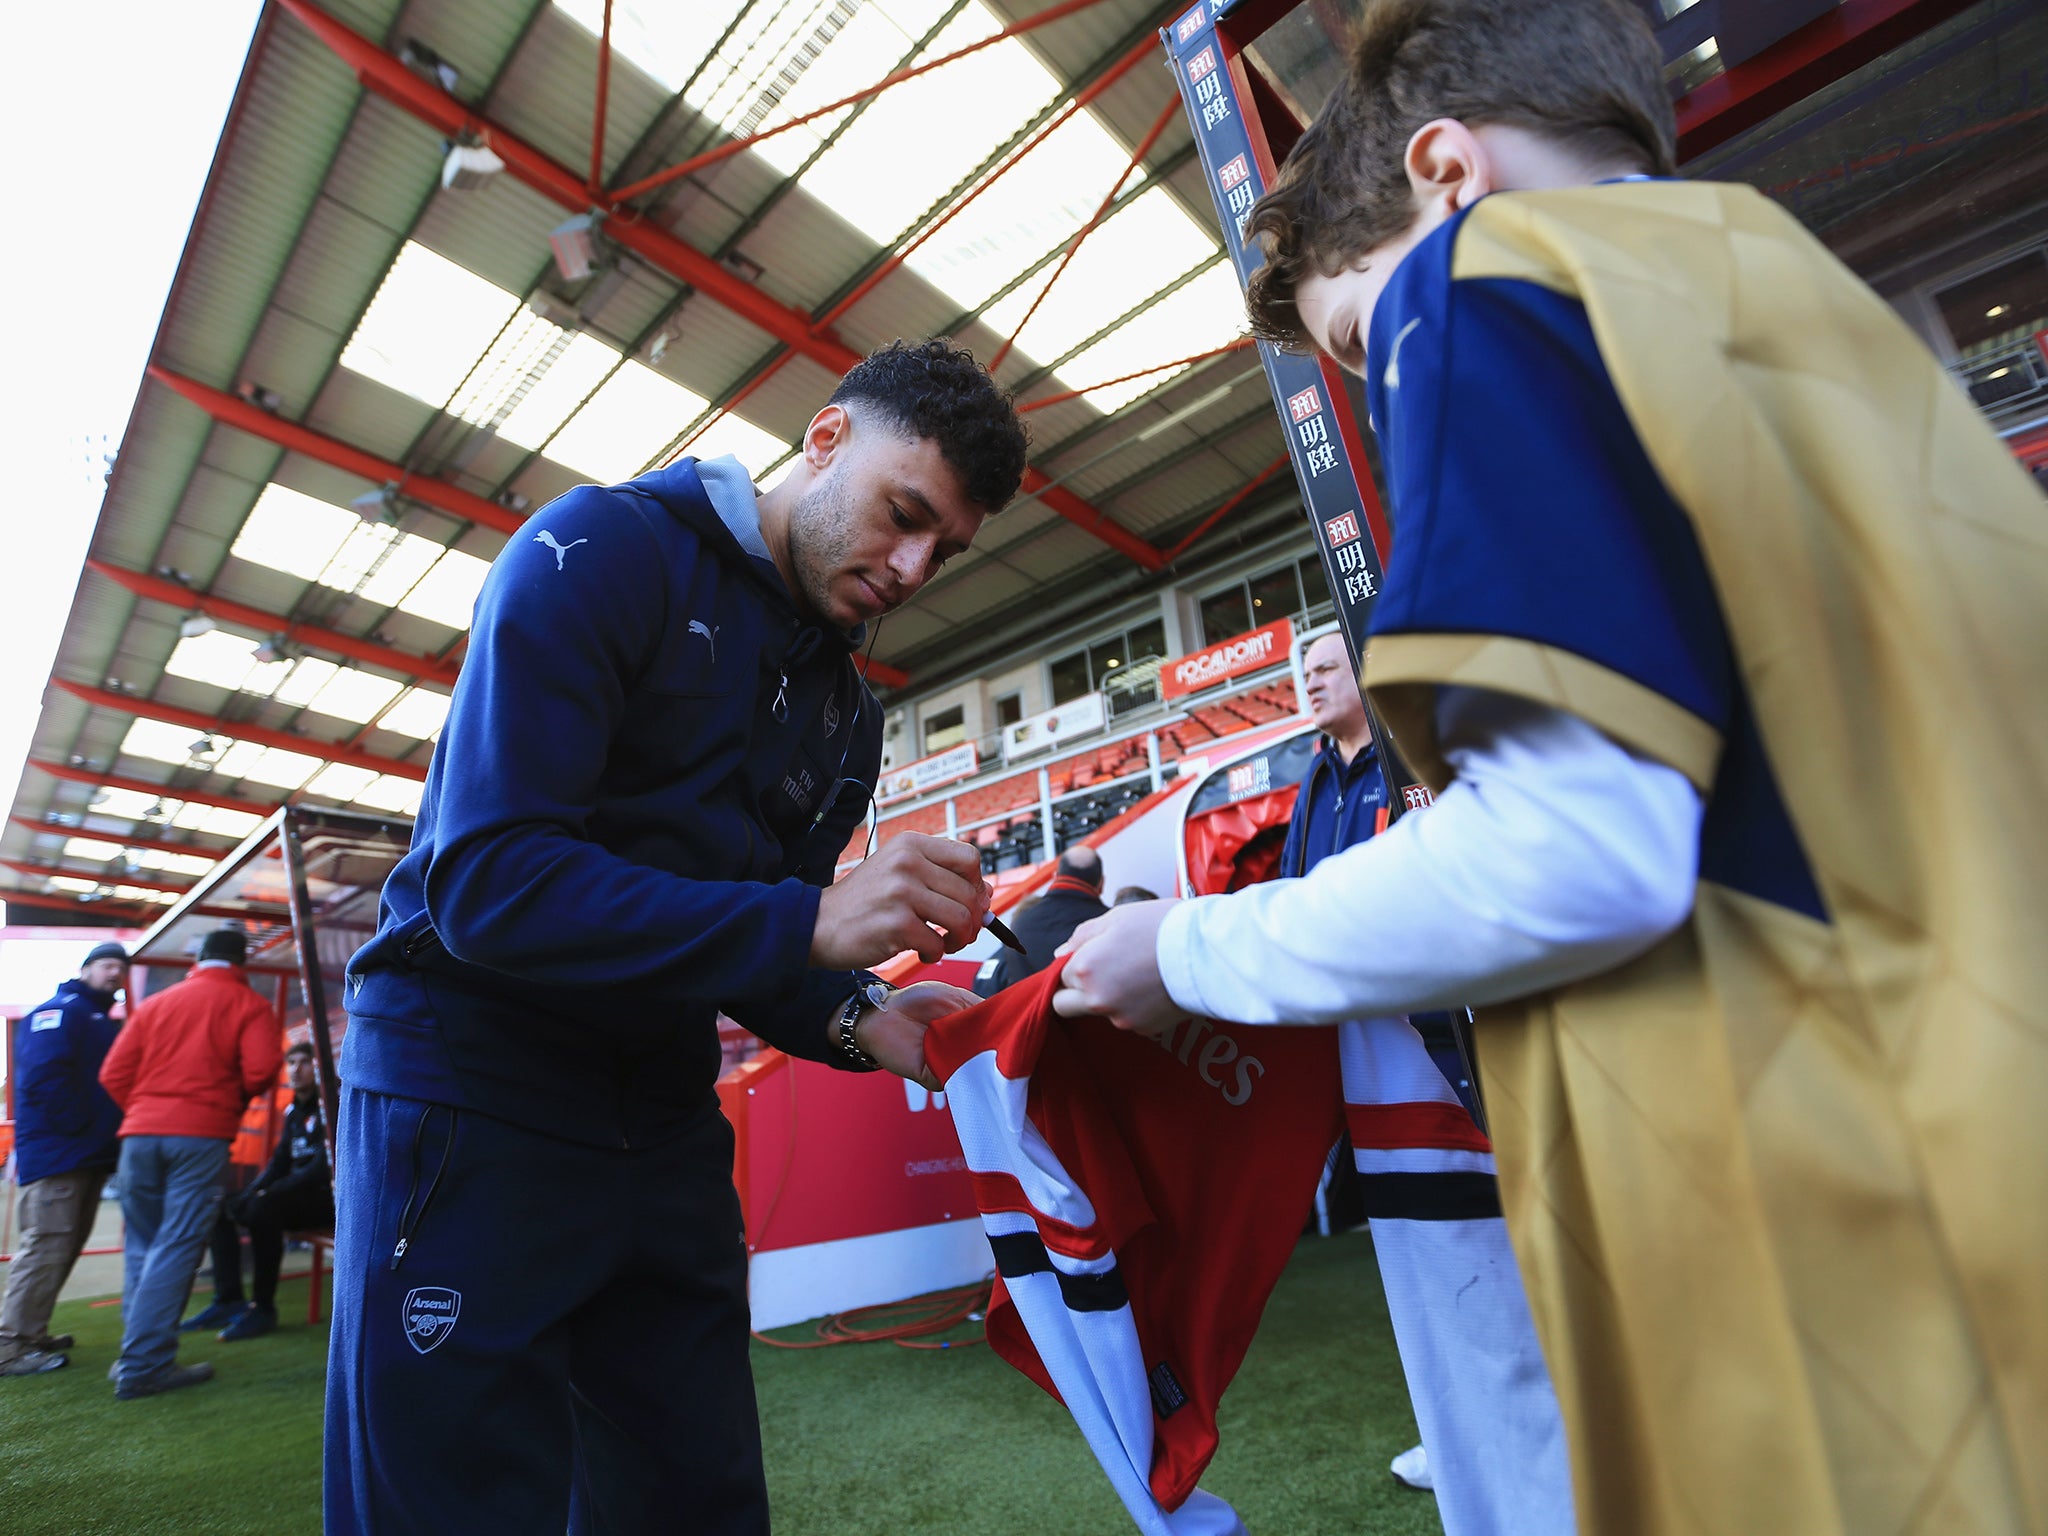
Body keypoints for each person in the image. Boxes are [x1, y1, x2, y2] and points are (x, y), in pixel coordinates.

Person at [1054, 3, 2047, 1532]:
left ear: (1447, 172)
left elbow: (1577, 849)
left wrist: (1185, 947)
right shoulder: (1804, 309)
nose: (1381, 387)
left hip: (1831, 1262)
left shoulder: (1484, 279)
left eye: (1355, 342)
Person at [329, 338, 1027, 1533]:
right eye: (902, 514)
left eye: (943, 550)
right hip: (468, 1090)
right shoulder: (594, 549)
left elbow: (750, 948)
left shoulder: (846, 718)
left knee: (696, 1498)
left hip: (658, 1116)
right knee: (449, 1503)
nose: (912, 567)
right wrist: (808, 920)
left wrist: (866, 1016)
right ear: (822, 441)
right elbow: (489, 884)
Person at [1281, 630, 1571, 1533]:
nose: (1312, 677)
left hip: (1462, 1049)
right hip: (1374, 1064)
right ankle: (1452, 1435)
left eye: (1329, 661)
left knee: (1521, 1248)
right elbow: (1296, 896)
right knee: (1423, 1264)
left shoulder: (1415, 749)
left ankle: (1568, 1425)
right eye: (1305, 669)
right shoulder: (1314, 782)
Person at [98, 927, 281, 1399]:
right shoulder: (249, 1004)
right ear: (242, 962)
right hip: (199, 1136)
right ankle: (144, 1366)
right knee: (177, 1246)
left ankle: (134, 1357)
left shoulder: (158, 1003)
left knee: (143, 1244)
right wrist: (222, 1106)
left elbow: (113, 1073)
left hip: (139, 1136)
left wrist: (146, 1112)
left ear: (198, 958)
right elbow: (261, 1071)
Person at [0, 942, 128, 1377]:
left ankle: (30, 1333)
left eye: (120, 967)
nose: (115, 973)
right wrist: (79, 1128)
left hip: (84, 1153)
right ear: (86, 969)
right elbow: (43, 1078)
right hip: (61, 1153)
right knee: (46, 1245)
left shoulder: (94, 1017)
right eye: (107, 964)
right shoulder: (59, 1011)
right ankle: (10, 1345)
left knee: (63, 1246)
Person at [181, 1040, 331, 1341]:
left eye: (303, 1062)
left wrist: (268, 1194)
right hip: (294, 1195)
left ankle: (263, 1309)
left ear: (318, 1067)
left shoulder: (332, 1103)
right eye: (291, 1063)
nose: (295, 1069)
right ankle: (228, 1300)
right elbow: (278, 1164)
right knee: (222, 1207)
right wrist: (252, 1191)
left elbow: (321, 1167)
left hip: (329, 1198)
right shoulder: (293, 1111)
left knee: (265, 1209)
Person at [972, 845, 1107, 996]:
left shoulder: (1022, 920)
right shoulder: (1107, 924)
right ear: (1101, 883)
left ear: (1055, 876)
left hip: (1033, 1017)